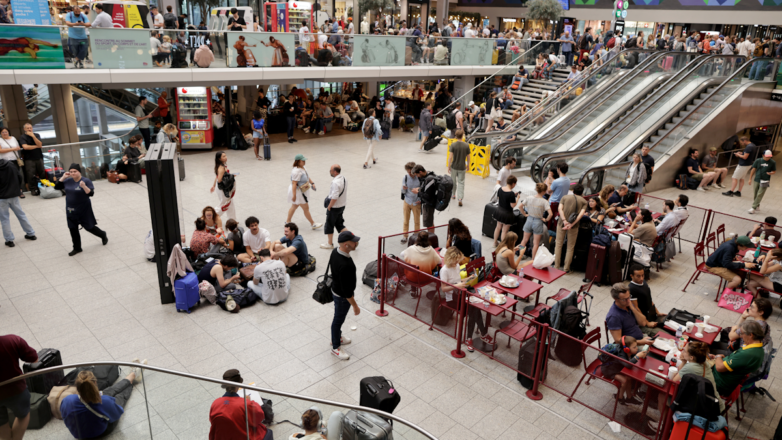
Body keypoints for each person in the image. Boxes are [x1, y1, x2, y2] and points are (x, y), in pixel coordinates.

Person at [61, 367, 143, 440]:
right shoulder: (105, 402)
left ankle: (131, 375)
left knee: (108, 392)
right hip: (99, 433)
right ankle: (132, 378)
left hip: (78, 434)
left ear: (77, 388)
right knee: (120, 397)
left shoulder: (67, 400)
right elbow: (116, 415)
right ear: (95, 383)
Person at [440, 247, 493, 352]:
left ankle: (471, 338)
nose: (457, 262)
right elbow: (444, 288)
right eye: (456, 260)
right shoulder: (444, 270)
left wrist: (468, 279)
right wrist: (457, 286)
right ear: (450, 259)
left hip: (461, 294)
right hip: (452, 299)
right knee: (474, 309)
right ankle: (480, 334)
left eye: (458, 260)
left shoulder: (457, 266)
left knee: (474, 308)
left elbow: (458, 280)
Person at [53, 164, 107, 256]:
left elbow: (91, 194)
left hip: (83, 209)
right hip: (70, 209)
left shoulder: (86, 181)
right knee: (72, 228)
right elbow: (56, 187)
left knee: (89, 227)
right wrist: (63, 177)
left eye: (75, 171)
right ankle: (77, 248)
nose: (72, 173)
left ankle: (102, 234)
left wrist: (84, 186)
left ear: (79, 172)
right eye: (71, 172)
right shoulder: (68, 180)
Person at [209, 369, 271, 440]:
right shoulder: (245, 404)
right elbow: (259, 418)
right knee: (268, 432)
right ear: (238, 385)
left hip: (221, 437)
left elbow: (213, 422)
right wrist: (248, 401)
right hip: (242, 436)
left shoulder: (215, 403)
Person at [712, 320, 766, 396]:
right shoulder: (758, 348)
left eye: (742, 333)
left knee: (692, 367)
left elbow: (719, 368)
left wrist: (718, 356)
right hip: (727, 377)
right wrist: (721, 358)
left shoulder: (747, 354)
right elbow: (737, 361)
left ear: (751, 335)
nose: (740, 336)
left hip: (718, 383)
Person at [329, 231, 360, 360]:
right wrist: (355, 306)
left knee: (338, 318)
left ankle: (338, 337)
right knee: (338, 321)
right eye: (354, 241)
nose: (356, 242)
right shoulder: (345, 265)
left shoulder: (336, 251)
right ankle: (336, 347)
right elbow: (346, 291)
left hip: (336, 290)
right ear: (347, 245)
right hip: (342, 297)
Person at [0, 334, 38, 440]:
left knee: (1, 422)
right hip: (16, 389)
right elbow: (34, 359)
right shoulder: (12, 340)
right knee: (23, 415)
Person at [0, 158, 36, 247]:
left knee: (4, 219)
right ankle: (31, 234)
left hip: (1, 197)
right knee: (21, 214)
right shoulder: (10, 164)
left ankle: (9, 240)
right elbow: (19, 177)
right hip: (14, 195)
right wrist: (18, 189)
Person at [555, 184, 587, 273]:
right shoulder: (584, 201)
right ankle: (566, 269)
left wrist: (565, 221)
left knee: (558, 245)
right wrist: (571, 224)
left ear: (573, 191)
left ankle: (556, 266)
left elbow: (560, 209)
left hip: (562, 223)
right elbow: (581, 215)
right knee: (570, 247)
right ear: (582, 192)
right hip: (574, 226)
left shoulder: (564, 197)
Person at [286, 155, 322, 229]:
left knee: (294, 206)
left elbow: (307, 176)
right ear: (298, 161)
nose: (304, 162)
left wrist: (312, 183)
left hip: (301, 191)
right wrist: (294, 195)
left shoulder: (303, 168)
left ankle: (287, 222)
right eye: (302, 161)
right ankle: (313, 224)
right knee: (306, 208)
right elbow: (294, 183)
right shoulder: (296, 171)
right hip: (299, 192)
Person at [627, 265, 665, 335]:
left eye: (642, 275)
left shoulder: (643, 282)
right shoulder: (631, 289)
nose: (641, 278)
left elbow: (649, 299)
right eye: (638, 276)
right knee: (663, 334)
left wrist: (657, 312)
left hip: (651, 316)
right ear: (631, 276)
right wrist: (647, 323)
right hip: (643, 322)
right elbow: (636, 308)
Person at [519, 182, 552, 260]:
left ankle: (520, 255)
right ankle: (533, 260)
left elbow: (520, 206)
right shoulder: (544, 201)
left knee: (524, 240)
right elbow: (550, 214)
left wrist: (524, 214)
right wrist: (546, 219)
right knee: (536, 243)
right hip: (538, 221)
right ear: (544, 191)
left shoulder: (529, 198)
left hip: (529, 220)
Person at [321, 165, 347, 250]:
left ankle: (329, 243)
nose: (330, 172)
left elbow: (335, 196)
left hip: (335, 207)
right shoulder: (343, 178)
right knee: (339, 224)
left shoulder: (335, 182)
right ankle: (351, 237)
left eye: (330, 170)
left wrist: (329, 206)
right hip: (342, 205)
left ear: (335, 171)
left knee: (329, 224)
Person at [493, 175, 522, 247]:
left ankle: (494, 243)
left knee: (498, 227)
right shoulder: (511, 193)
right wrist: (517, 198)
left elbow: (499, 198)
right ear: (513, 183)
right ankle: (502, 247)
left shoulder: (500, 189)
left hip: (499, 211)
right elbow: (513, 205)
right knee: (504, 231)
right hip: (507, 214)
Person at [747, 150, 776, 214]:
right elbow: (753, 169)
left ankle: (753, 208)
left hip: (765, 180)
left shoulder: (772, 162)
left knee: (760, 194)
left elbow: (774, 171)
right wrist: (750, 179)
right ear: (763, 155)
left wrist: (771, 173)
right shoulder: (758, 160)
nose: (768, 158)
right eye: (767, 157)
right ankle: (757, 205)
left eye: (769, 157)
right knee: (756, 193)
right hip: (757, 179)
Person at [211, 152, 237, 222]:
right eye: (223, 156)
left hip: (221, 187)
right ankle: (212, 217)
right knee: (224, 203)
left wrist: (213, 186)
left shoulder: (220, 166)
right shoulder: (221, 167)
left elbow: (217, 177)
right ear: (219, 159)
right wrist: (231, 176)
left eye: (225, 155)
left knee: (230, 202)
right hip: (222, 188)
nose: (226, 157)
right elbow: (219, 180)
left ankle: (232, 219)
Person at [19, 124, 44, 195]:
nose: (29, 129)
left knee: (42, 173)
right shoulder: (23, 137)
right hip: (29, 159)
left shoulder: (37, 135)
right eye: (28, 128)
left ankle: (42, 187)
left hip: (39, 157)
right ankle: (32, 189)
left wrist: (33, 136)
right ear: (24, 129)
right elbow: (25, 147)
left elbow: (40, 144)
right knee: (30, 175)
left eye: (30, 128)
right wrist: (37, 146)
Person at [448, 129, 470, 207]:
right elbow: (468, 156)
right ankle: (460, 198)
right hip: (462, 167)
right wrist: (468, 165)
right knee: (461, 182)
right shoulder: (466, 145)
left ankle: (453, 195)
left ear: (456, 136)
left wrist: (448, 166)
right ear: (462, 135)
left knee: (453, 181)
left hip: (454, 166)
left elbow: (450, 157)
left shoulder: (453, 145)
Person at [0, 128, 24, 199]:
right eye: (3, 132)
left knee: (18, 175)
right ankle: (10, 192)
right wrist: (13, 149)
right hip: (5, 161)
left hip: (15, 160)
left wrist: (16, 148)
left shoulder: (13, 138)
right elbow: (0, 150)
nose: (4, 133)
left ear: (8, 132)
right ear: (1, 133)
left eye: (6, 132)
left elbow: (18, 147)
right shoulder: (0, 140)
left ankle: (20, 191)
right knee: (8, 177)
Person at [401, 162, 421, 243]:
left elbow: (422, 190)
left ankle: (416, 237)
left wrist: (420, 199)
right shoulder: (405, 177)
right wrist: (404, 188)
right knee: (406, 220)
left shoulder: (419, 178)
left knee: (417, 221)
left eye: (410, 172)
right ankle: (405, 236)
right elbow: (403, 191)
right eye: (408, 172)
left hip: (416, 202)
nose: (409, 173)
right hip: (407, 201)